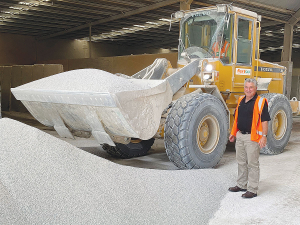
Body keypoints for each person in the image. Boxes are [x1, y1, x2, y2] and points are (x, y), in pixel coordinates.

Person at [228, 78, 271, 198]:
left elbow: (264, 121)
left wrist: (264, 137)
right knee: (241, 162)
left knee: (252, 164)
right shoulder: (241, 99)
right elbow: (237, 117)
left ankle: (252, 189)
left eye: (251, 87)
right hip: (240, 135)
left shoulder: (261, 102)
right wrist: (233, 132)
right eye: (246, 87)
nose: (248, 89)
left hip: (252, 138)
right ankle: (241, 185)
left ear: (255, 88)